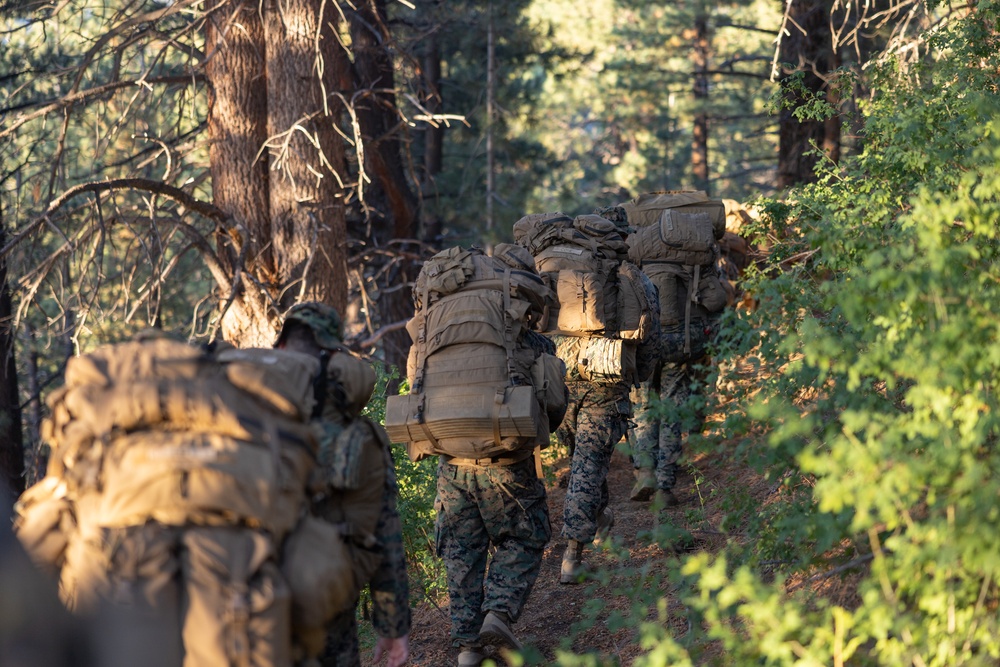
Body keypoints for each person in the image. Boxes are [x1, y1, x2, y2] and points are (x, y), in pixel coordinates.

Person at [515, 212, 659, 585]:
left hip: (557, 373)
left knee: (583, 459)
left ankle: (598, 518)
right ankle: (573, 556)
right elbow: (648, 335)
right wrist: (636, 376)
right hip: (605, 374)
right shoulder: (627, 274)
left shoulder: (550, 267)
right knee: (588, 465)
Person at [274, 302, 411, 667]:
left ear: (282, 346)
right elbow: (383, 536)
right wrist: (392, 625)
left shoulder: (240, 417)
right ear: (333, 352)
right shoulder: (353, 439)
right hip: (321, 598)